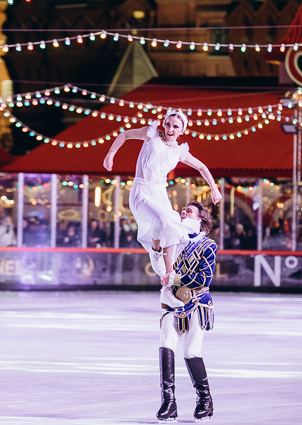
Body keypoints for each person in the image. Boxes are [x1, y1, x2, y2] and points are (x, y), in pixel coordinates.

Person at [103, 110, 221, 306]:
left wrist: (214, 187)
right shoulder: (151, 135)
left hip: (160, 193)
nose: (171, 129)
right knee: (163, 221)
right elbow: (124, 134)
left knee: (173, 227)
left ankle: (167, 285)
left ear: (182, 129)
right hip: (142, 191)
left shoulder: (179, 151)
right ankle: (156, 251)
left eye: (176, 126)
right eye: (168, 124)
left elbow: (202, 167)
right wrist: (111, 153)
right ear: (164, 124)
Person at [157, 200, 216, 422]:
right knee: (166, 342)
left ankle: (205, 400)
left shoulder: (208, 245)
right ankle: (168, 401)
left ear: (199, 218)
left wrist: (176, 278)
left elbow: (205, 279)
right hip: (175, 303)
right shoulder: (175, 242)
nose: (183, 213)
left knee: (191, 352)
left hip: (198, 304)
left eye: (188, 211)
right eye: (182, 211)